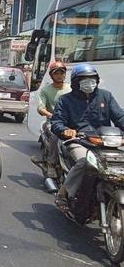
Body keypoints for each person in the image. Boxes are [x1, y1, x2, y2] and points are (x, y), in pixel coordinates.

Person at [52, 63, 124, 212]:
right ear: (75, 82)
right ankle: (63, 193)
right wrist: (66, 130)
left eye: (92, 79)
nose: (89, 82)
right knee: (86, 162)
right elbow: (57, 122)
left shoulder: (106, 96)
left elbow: (120, 117)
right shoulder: (65, 100)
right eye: (84, 79)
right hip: (79, 141)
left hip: (103, 142)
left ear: (97, 80)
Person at [35, 61, 71, 178]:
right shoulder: (46, 90)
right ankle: (51, 164)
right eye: (56, 73)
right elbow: (41, 108)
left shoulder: (71, 89)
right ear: (51, 75)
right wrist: (51, 115)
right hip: (53, 122)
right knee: (56, 135)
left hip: (71, 123)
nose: (60, 75)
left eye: (62, 72)